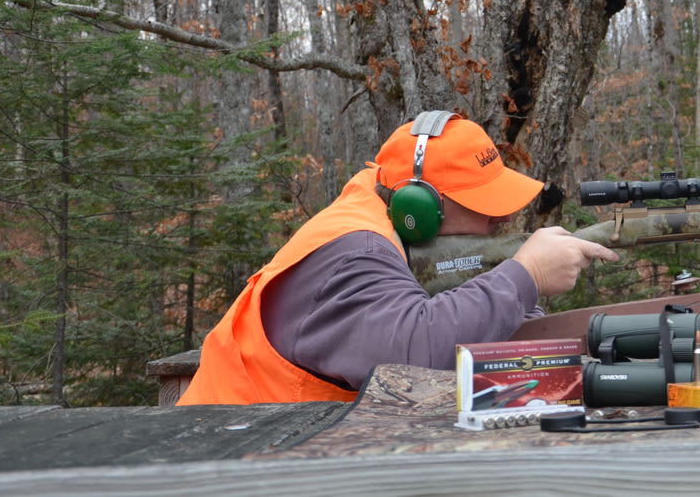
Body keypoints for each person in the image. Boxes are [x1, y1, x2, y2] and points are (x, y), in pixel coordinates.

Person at [178, 111, 618, 405]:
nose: (500, 220)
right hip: (227, 460)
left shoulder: (377, 207)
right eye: (483, 207)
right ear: (417, 211)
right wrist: (526, 275)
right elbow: (415, 353)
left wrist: (517, 304)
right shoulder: (356, 252)